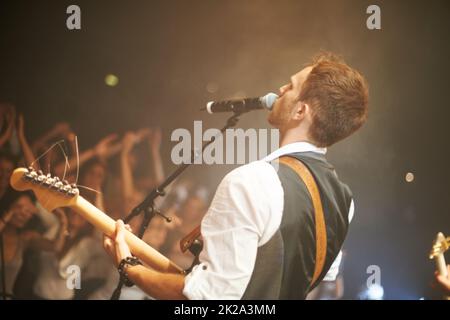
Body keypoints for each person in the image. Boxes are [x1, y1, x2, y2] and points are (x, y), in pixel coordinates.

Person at [103, 52, 369, 300]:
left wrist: (128, 266)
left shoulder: (253, 181)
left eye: (290, 86)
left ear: (300, 111)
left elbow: (205, 297)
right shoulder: (345, 202)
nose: (280, 90)